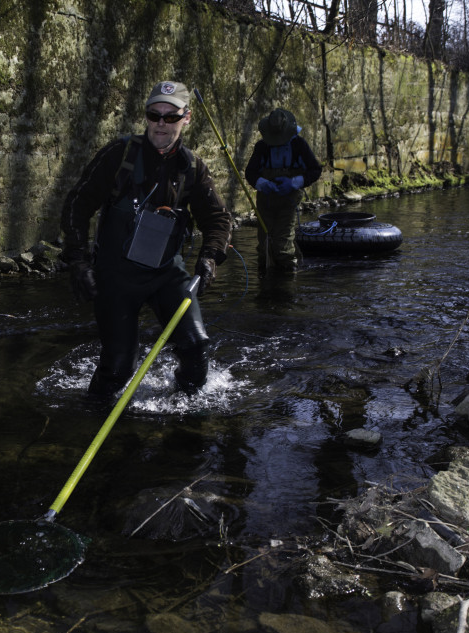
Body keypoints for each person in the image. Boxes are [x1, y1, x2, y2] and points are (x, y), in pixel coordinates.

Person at [60, 80, 233, 398]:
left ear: (187, 118)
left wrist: (210, 255)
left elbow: (218, 218)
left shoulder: (193, 167)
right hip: (116, 275)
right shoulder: (119, 155)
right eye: (154, 115)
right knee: (119, 367)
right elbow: (77, 204)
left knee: (196, 348)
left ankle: (184, 415)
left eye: (171, 116)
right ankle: (97, 416)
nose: (161, 124)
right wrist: (78, 261)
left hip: (167, 272)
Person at [243, 108, 322, 275]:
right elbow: (250, 172)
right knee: (264, 243)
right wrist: (262, 183)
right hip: (266, 200)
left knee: (283, 241)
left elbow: (315, 170)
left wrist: (294, 182)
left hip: (289, 199)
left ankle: (288, 280)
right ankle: (266, 279)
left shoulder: (299, 145)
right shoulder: (262, 147)